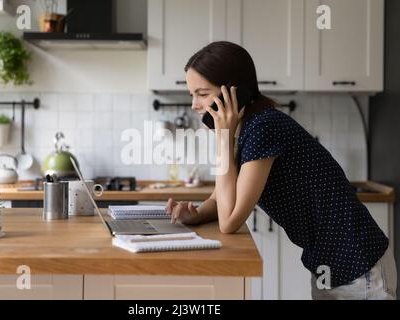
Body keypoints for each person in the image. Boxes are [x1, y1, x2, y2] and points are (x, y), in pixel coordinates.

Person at [166, 41, 397, 300]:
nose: (195, 105)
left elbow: (229, 221)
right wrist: (196, 214)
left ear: (234, 92)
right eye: (191, 95)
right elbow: (222, 197)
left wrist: (222, 138)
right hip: (328, 264)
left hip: (358, 263)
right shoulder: (248, 129)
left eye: (202, 93)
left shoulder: (264, 127)